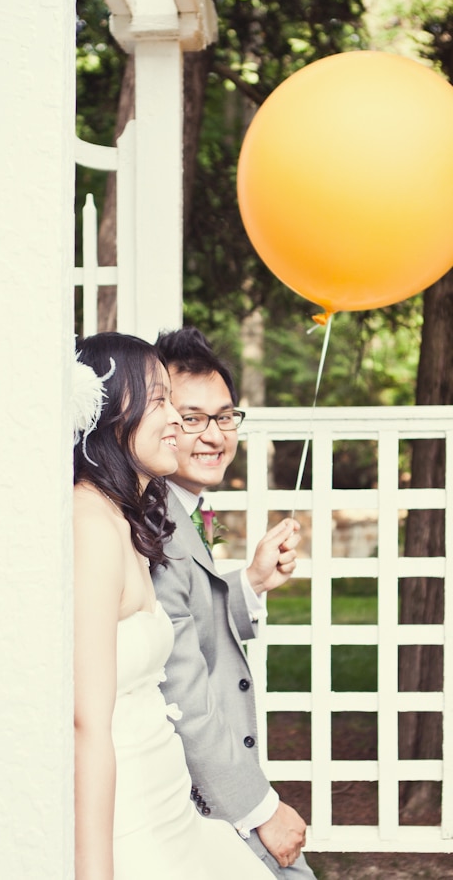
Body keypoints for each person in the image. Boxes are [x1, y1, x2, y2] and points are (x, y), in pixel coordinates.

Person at [73, 331, 275, 880]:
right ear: (112, 413)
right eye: (161, 401)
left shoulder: (123, 518)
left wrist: (251, 583)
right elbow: (85, 723)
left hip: (169, 806)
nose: (177, 424)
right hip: (132, 820)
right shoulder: (89, 525)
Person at [153, 327, 316, 879]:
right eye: (192, 418)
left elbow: (187, 620)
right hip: (194, 796)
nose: (214, 435)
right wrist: (259, 808)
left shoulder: (180, 508)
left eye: (225, 417)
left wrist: (250, 583)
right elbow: (179, 685)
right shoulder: (152, 523)